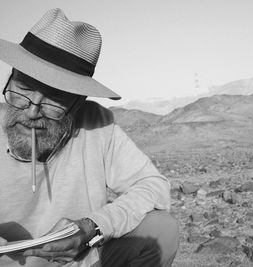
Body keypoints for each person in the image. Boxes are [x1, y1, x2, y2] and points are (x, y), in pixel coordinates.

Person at [0, 8, 179, 267]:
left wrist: (92, 229)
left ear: (78, 102)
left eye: (54, 97)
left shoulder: (96, 125)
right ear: (10, 78)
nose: (32, 110)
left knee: (161, 230)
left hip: (81, 262)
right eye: (24, 88)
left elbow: (153, 186)